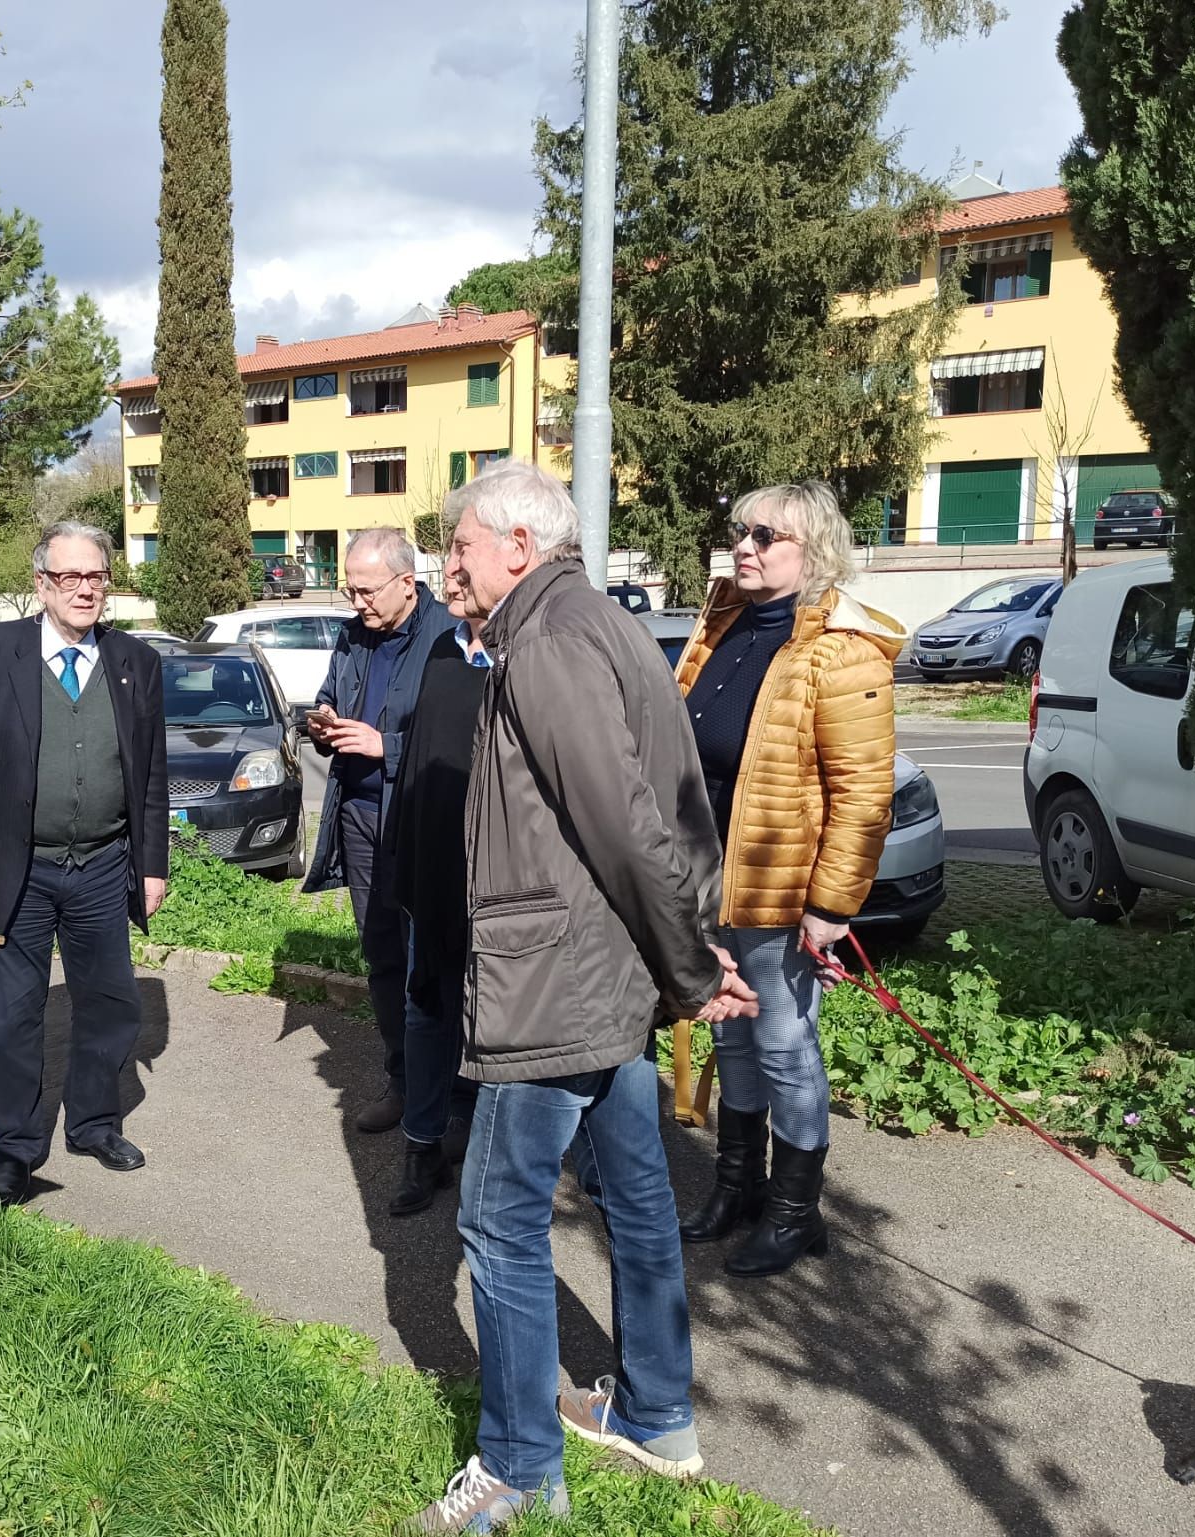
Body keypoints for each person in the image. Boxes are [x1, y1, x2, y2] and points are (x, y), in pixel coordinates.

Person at [408, 461, 758, 1533]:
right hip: (607, 979)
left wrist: (692, 970)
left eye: (458, 543)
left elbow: (621, 820)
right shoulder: (597, 623)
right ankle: (655, 1417)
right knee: (636, 1198)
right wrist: (686, 951)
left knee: (495, 1219)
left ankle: (518, 1470)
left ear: (517, 542)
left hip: (553, 988)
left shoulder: (550, 639)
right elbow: (676, 812)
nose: (446, 562)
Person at [674, 481, 902, 1277]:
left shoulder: (841, 650)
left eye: (765, 534)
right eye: (741, 529)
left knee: (782, 1046)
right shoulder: (721, 625)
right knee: (731, 1037)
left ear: (816, 550)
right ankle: (737, 1186)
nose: (745, 544)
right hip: (708, 883)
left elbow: (865, 795)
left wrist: (832, 906)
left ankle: (796, 1212)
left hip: (781, 891)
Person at [0, 520, 169, 1207]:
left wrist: (151, 864)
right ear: (41, 584)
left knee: (109, 1004)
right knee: (13, 1017)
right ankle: (15, 1147)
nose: (85, 589)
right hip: (15, 874)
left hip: (102, 867)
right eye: (70, 577)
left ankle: (94, 1123)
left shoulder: (136, 663)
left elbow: (152, 775)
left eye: (96, 576)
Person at [302, 525, 455, 1134]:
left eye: (366, 591)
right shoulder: (351, 636)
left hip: (420, 819)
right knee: (384, 957)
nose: (356, 603)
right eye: (350, 589)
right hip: (361, 818)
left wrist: (384, 745)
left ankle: (449, 1095)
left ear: (406, 583)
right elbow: (328, 696)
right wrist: (322, 723)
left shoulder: (449, 635)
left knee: (436, 962)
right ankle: (403, 1082)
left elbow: (463, 737)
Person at [382, 484, 489, 1216]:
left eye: (460, 557)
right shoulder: (441, 653)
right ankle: (422, 1150)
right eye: (446, 559)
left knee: (490, 1018)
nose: (449, 573)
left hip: (496, 881)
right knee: (428, 1012)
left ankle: (480, 1150)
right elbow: (418, 764)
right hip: (432, 872)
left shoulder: (520, 660)